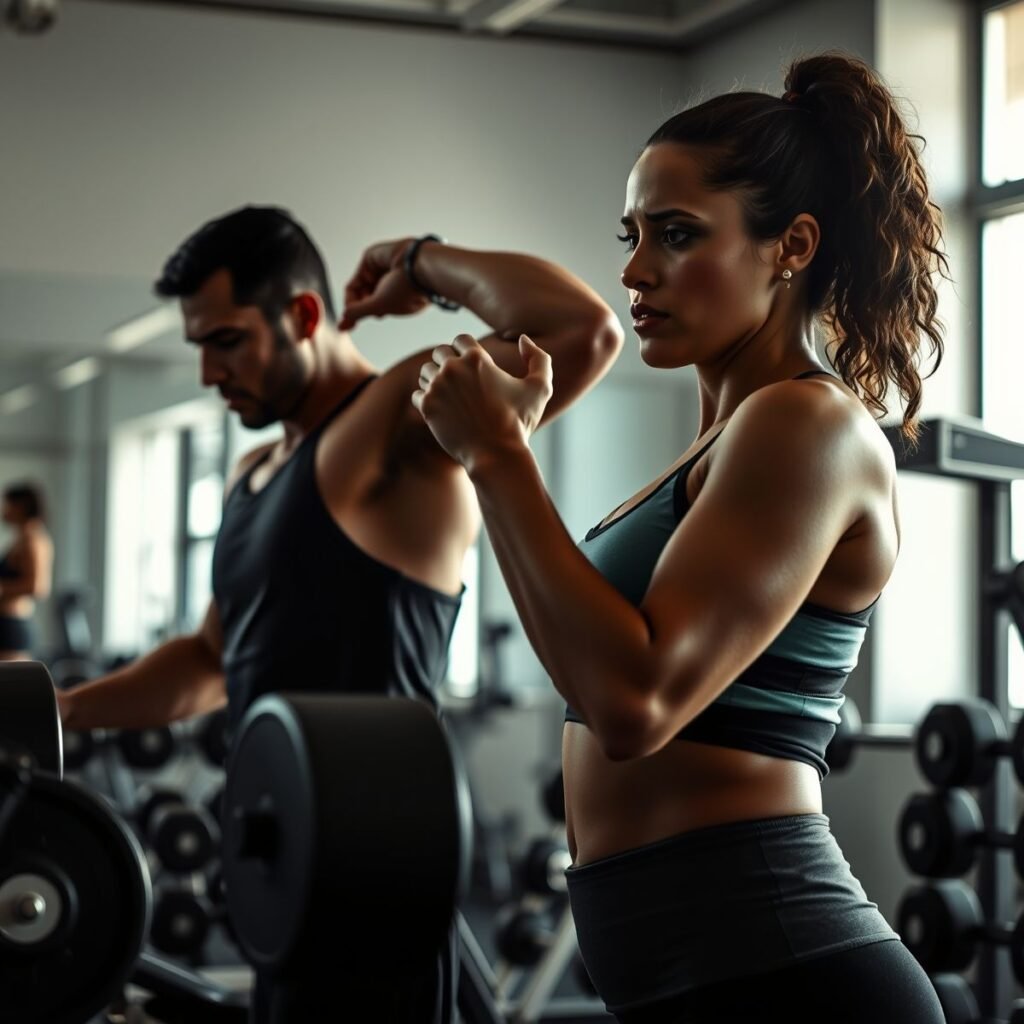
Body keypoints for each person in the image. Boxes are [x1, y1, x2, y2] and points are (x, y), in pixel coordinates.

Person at [413, 52, 948, 1024]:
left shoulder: (805, 425)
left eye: (675, 234)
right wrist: (504, 449)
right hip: (686, 974)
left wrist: (496, 455)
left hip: (786, 978)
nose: (632, 269)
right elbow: (598, 660)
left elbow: (637, 702)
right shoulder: (718, 443)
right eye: (631, 236)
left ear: (789, 246)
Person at [56, 206, 623, 1021]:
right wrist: (65, 707)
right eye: (199, 347)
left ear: (304, 316)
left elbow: (584, 330)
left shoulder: (397, 420)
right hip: (279, 851)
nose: (210, 373)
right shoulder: (256, 470)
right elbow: (211, 662)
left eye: (227, 342)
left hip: (380, 850)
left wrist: (420, 261)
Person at [0, 483, 53, 661]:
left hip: (11, 625)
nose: (4, 510)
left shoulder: (33, 540)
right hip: (6, 623)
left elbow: (38, 587)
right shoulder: (20, 540)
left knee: (10, 687)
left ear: (21, 506)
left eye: (7, 504)